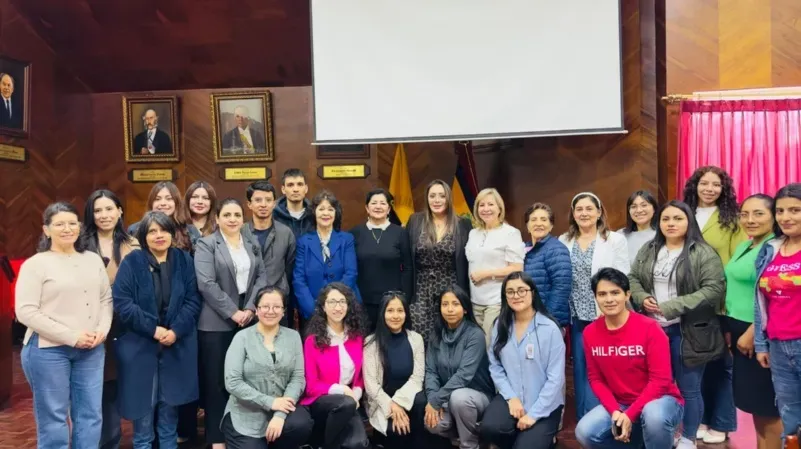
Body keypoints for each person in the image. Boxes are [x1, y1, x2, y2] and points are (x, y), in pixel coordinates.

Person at [629, 200, 727, 448]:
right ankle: (668, 430)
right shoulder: (650, 249)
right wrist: (641, 297)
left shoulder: (703, 252)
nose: (671, 224)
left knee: (688, 388)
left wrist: (673, 306)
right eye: (665, 219)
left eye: (677, 218)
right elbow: (632, 278)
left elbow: (713, 290)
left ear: (689, 221)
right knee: (659, 387)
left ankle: (688, 437)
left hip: (688, 332)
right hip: (653, 330)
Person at [16, 202, 112, 448]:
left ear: (79, 227)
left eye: (72, 223)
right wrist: (72, 336)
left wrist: (102, 330)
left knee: (90, 415)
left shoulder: (92, 259)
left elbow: (105, 299)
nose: (67, 229)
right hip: (48, 350)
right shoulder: (36, 264)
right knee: (54, 418)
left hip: (91, 349)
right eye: (59, 224)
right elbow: (26, 311)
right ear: (46, 230)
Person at [112, 211, 202, 449]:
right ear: (143, 236)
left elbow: (193, 300)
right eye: (152, 231)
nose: (159, 235)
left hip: (176, 344)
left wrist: (175, 331)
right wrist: (153, 330)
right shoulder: (132, 262)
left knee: (169, 414)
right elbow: (123, 302)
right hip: (141, 344)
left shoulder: (184, 260)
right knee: (143, 414)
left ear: (172, 233)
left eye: (163, 230)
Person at [575, 268, 684, 448]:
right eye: (602, 294)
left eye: (615, 293)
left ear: (627, 295)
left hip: (660, 400)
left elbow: (661, 381)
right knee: (584, 432)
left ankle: (664, 438)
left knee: (654, 416)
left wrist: (630, 415)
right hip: (621, 403)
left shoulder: (650, 328)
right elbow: (595, 379)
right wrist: (615, 412)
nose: (609, 299)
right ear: (595, 297)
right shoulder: (590, 332)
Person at [195, 199, 268, 449]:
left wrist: (250, 308)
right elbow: (206, 283)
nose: (233, 219)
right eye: (227, 215)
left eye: (237, 214)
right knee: (217, 382)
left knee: (244, 378)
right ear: (217, 219)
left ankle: (243, 434)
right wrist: (232, 312)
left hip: (247, 319)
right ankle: (216, 439)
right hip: (216, 323)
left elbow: (262, 276)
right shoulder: (206, 244)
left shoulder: (251, 242)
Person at [683, 165, 745, 443]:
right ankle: (701, 419)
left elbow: (736, 262)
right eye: (704, 183)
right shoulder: (684, 213)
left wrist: (727, 304)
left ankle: (721, 423)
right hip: (688, 302)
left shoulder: (732, 218)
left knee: (721, 365)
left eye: (716, 185)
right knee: (696, 366)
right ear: (694, 185)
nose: (709, 189)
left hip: (719, 303)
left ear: (724, 189)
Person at [558, 192, 629, 420]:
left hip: (605, 314)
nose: (584, 213)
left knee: (606, 368)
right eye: (579, 209)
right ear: (573, 214)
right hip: (577, 315)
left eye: (589, 208)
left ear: (599, 212)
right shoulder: (564, 240)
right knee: (581, 367)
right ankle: (585, 417)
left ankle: (609, 416)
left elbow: (622, 275)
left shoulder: (615, 239)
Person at [82, 189, 140, 449]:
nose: (104, 215)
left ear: (120, 211)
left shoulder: (133, 244)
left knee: (114, 386)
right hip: (88, 326)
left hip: (124, 326)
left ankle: (111, 441)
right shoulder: (79, 244)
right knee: (91, 389)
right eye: (97, 210)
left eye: (109, 209)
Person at [480, 272, 565, 449]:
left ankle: (544, 439)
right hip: (512, 397)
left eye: (521, 290)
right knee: (489, 428)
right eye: (510, 292)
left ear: (532, 292)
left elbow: (556, 379)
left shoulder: (550, 329)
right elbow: (495, 366)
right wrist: (511, 397)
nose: (516, 296)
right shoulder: (500, 325)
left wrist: (533, 415)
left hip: (544, 403)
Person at [221, 287, 314, 449]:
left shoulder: (293, 337)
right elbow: (233, 383)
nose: (271, 311)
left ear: (283, 311)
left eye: (277, 306)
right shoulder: (242, 338)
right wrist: (271, 402)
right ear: (256, 310)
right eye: (265, 306)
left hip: (283, 408)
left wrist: (279, 414)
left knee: (301, 424)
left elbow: (298, 378)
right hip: (245, 416)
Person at [726, 194, 783, 449]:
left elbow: (772, 295)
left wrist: (753, 333)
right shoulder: (745, 245)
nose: (750, 220)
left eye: (758, 214)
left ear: (774, 216)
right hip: (737, 329)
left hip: (758, 331)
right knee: (755, 408)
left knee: (768, 409)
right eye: (745, 214)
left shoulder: (775, 248)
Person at [755, 183, 801, 441]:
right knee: (790, 418)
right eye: (780, 211)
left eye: (795, 210)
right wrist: (761, 344)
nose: (786, 217)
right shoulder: (770, 249)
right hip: (778, 346)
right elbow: (760, 300)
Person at [423, 285, 494, 449]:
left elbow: (464, 375)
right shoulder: (436, 335)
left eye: (455, 304)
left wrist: (436, 400)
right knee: (432, 423)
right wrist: (433, 399)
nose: (450, 309)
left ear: (465, 309)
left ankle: (469, 445)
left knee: (459, 398)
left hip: (477, 397)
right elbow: (431, 372)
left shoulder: (475, 335)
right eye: (445, 304)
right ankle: (470, 434)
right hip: (448, 398)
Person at [300, 283, 370, 449]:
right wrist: (343, 390)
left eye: (342, 302)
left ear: (348, 306)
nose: (337, 307)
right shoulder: (312, 341)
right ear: (323, 307)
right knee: (345, 404)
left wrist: (355, 393)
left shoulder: (356, 337)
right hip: (321, 401)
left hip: (350, 401)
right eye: (332, 302)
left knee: (358, 444)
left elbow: (360, 376)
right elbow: (311, 386)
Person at [407, 180, 472, 341]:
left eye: (442, 196)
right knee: (419, 334)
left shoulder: (463, 224)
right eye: (432, 196)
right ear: (427, 198)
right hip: (420, 290)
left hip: (451, 288)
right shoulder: (415, 221)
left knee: (449, 334)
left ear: (449, 198)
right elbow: (407, 256)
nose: (437, 200)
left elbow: (468, 259)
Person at [363, 292, 426, 449]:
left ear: (406, 313)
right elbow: (371, 385)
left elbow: (417, 377)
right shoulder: (371, 343)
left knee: (421, 401)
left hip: (408, 399)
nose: (395, 316)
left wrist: (398, 402)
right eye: (390, 311)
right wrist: (391, 405)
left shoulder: (416, 339)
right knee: (397, 432)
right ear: (382, 313)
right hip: (383, 403)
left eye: (400, 310)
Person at [465, 188, 524, 339]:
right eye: (481, 205)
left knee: (490, 344)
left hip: (496, 300)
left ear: (499, 208)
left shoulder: (510, 233)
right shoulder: (473, 233)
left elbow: (517, 269)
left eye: (490, 204)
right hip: (474, 301)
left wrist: (486, 274)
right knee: (478, 345)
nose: (486, 209)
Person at [293, 190, 361, 322]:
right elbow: (299, 279)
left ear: (336, 213)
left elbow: (351, 273)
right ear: (314, 212)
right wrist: (314, 310)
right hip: (313, 311)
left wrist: (336, 305)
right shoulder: (304, 242)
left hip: (344, 308)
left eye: (330, 209)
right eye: (321, 209)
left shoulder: (346, 239)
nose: (326, 213)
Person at [350, 189, 413, 330]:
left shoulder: (401, 233)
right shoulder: (355, 233)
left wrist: (405, 298)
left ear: (389, 209)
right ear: (367, 208)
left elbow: (408, 268)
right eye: (374, 203)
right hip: (363, 302)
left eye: (383, 203)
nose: (378, 206)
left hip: (393, 303)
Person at [242, 181, 296, 326]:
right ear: (249, 204)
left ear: (274, 203)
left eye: (268, 200)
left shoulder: (285, 233)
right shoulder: (241, 232)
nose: (263, 204)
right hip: (247, 304)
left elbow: (289, 267)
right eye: (258, 200)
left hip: (277, 303)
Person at [522, 202, 572, 329]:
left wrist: (546, 319)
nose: (538, 223)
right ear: (527, 226)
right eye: (533, 220)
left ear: (551, 226)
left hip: (548, 321)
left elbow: (561, 288)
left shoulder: (556, 249)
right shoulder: (523, 249)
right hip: (529, 318)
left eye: (543, 219)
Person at [128, 181, 201, 252]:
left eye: (169, 199)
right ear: (151, 203)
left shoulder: (190, 231)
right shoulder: (135, 229)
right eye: (157, 199)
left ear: (176, 203)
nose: (163, 203)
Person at [273, 168, 314, 239]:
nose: (295, 189)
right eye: (290, 185)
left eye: (300, 184)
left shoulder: (314, 214)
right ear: (283, 189)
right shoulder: (273, 215)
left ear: (306, 189)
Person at [619, 190, 658, 264]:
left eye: (644, 205)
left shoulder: (662, 234)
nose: (639, 210)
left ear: (654, 209)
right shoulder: (620, 235)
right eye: (633, 207)